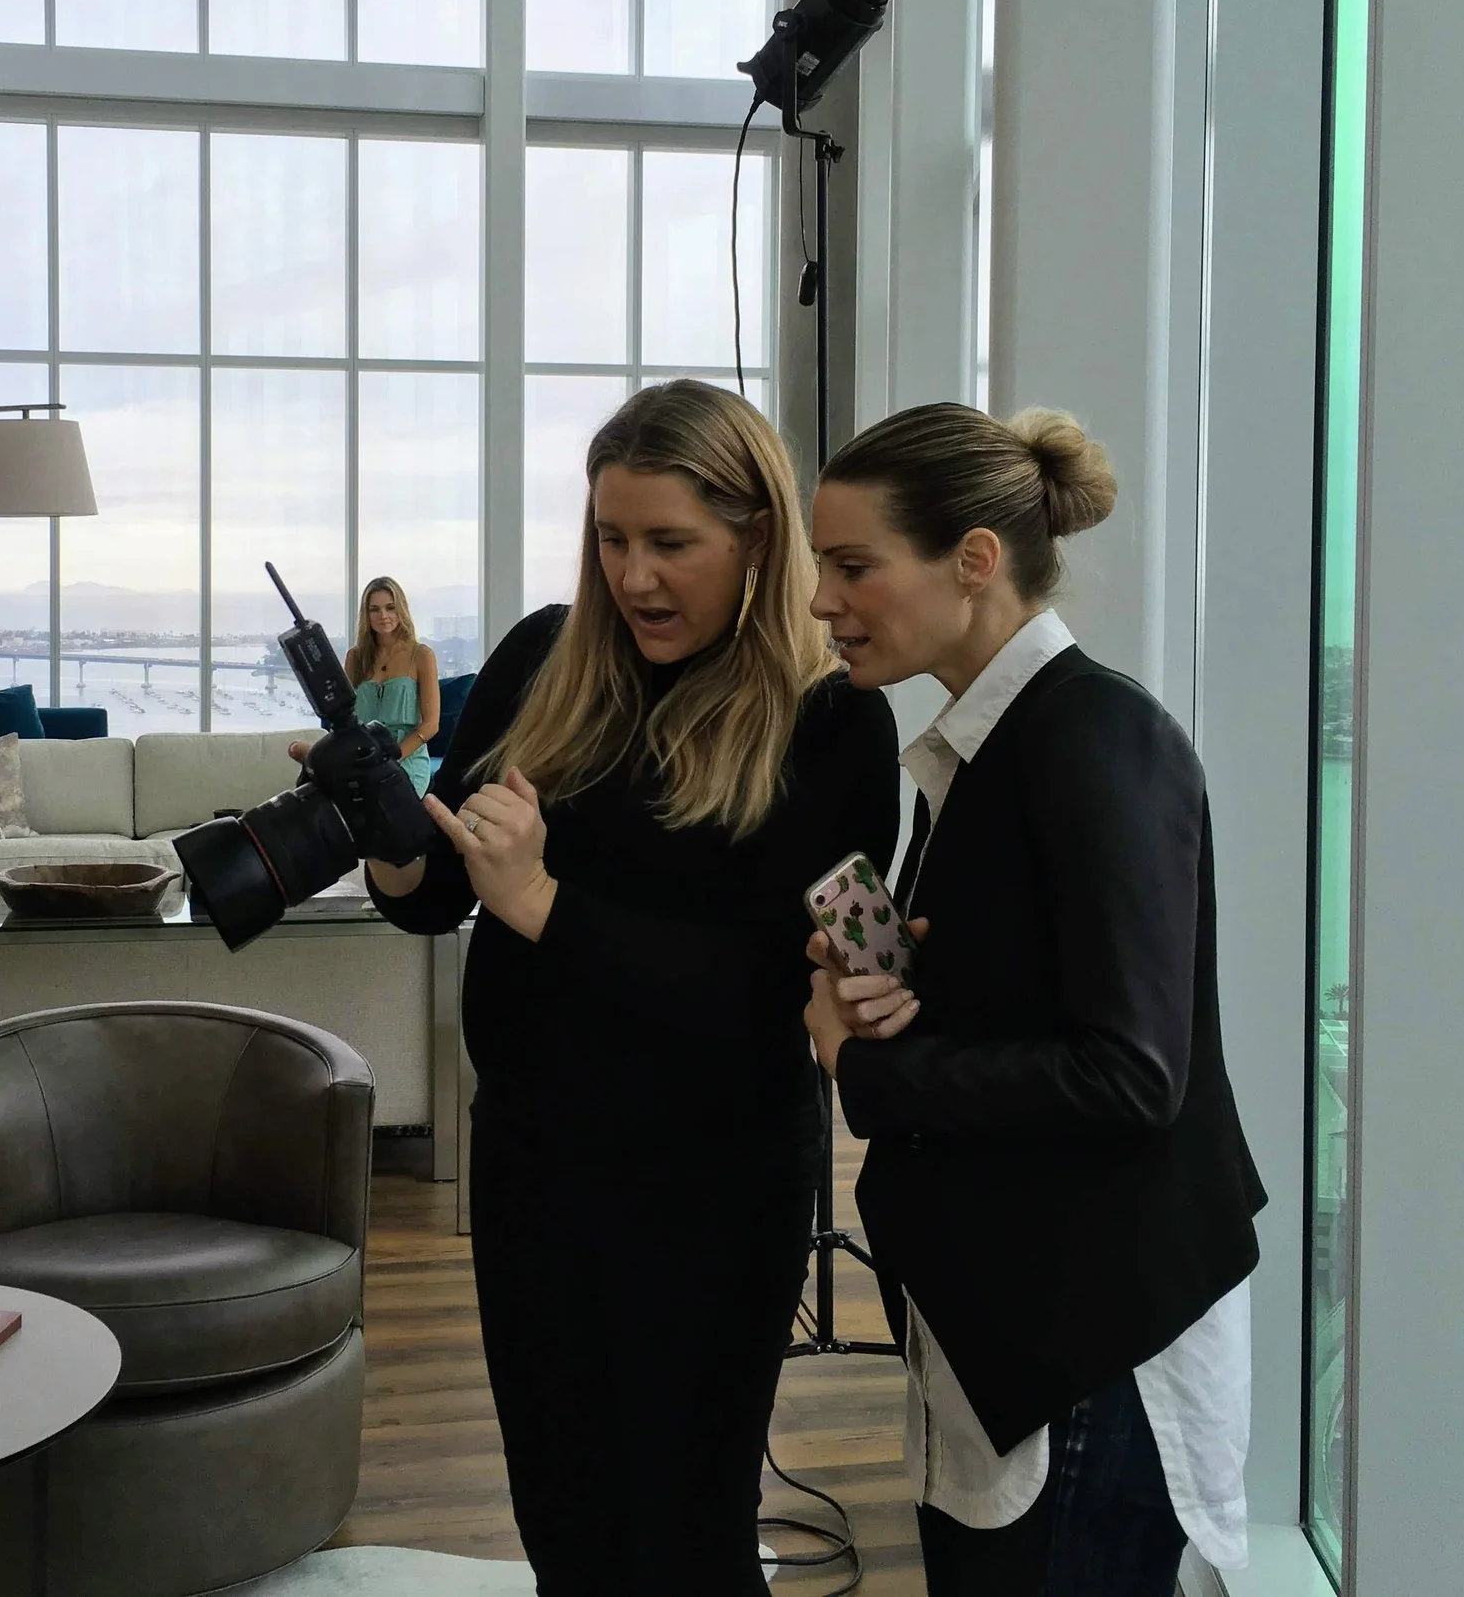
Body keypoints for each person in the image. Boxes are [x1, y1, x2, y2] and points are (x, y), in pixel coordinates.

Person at [355, 378, 899, 1593]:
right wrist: (384, 827)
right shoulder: (547, 654)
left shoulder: (834, 720)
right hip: (535, 1163)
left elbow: (776, 989)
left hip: (707, 1180)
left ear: (758, 539)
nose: (635, 578)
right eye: (612, 539)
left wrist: (546, 906)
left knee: (685, 1530)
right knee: (563, 1514)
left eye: (671, 545)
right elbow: (441, 892)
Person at [800, 402, 1266, 1595]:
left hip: (1095, 1343)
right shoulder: (989, 750)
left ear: (973, 561)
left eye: (853, 567)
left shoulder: (1099, 742)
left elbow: (1127, 1076)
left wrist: (866, 1066)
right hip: (1030, 1321)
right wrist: (917, 1000)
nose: (821, 602)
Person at [346, 576, 441, 795]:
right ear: (366, 615)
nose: (383, 616)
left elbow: (431, 725)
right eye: (375, 609)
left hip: (406, 760)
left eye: (390, 607)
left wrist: (391, 758)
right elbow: (345, 714)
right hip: (364, 759)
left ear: (401, 610)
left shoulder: (421, 655)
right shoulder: (355, 657)